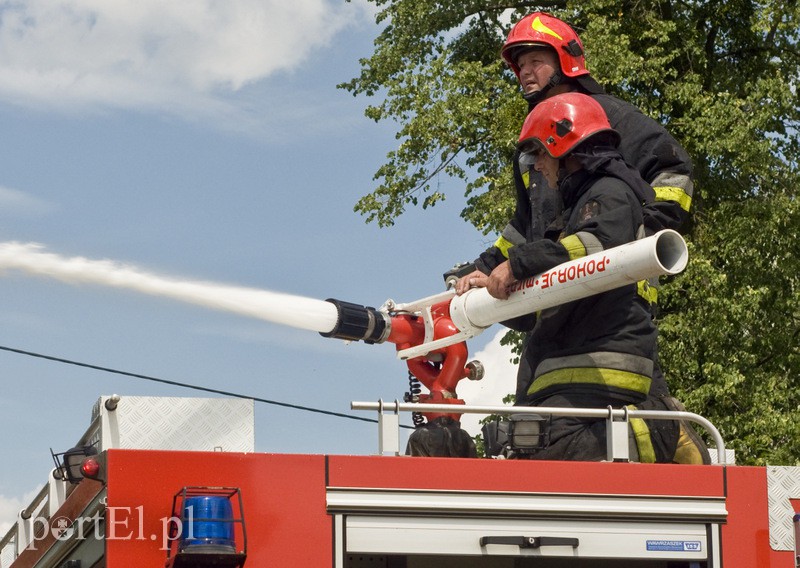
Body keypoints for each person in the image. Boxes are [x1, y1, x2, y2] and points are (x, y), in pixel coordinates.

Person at [455, 13, 708, 463]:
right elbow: (526, 226)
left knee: (619, 378)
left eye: (535, 60)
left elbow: (676, 173)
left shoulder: (609, 118)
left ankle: (669, 443)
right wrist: (486, 264)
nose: (525, 73)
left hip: (607, 282)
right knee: (537, 418)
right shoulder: (537, 139)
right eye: (519, 66)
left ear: (567, 60)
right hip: (553, 291)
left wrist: (635, 241)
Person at [461, 92, 675, 461]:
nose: (536, 167)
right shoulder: (576, 206)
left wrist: (517, 264)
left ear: (563, 146)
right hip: (567, 374)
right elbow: (551, 295)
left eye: (538, 154)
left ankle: (658, 433)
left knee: (549, 454)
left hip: (597, 370)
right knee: (522, 449)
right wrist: (491, 294)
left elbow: (594, 247)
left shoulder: (610, 193)